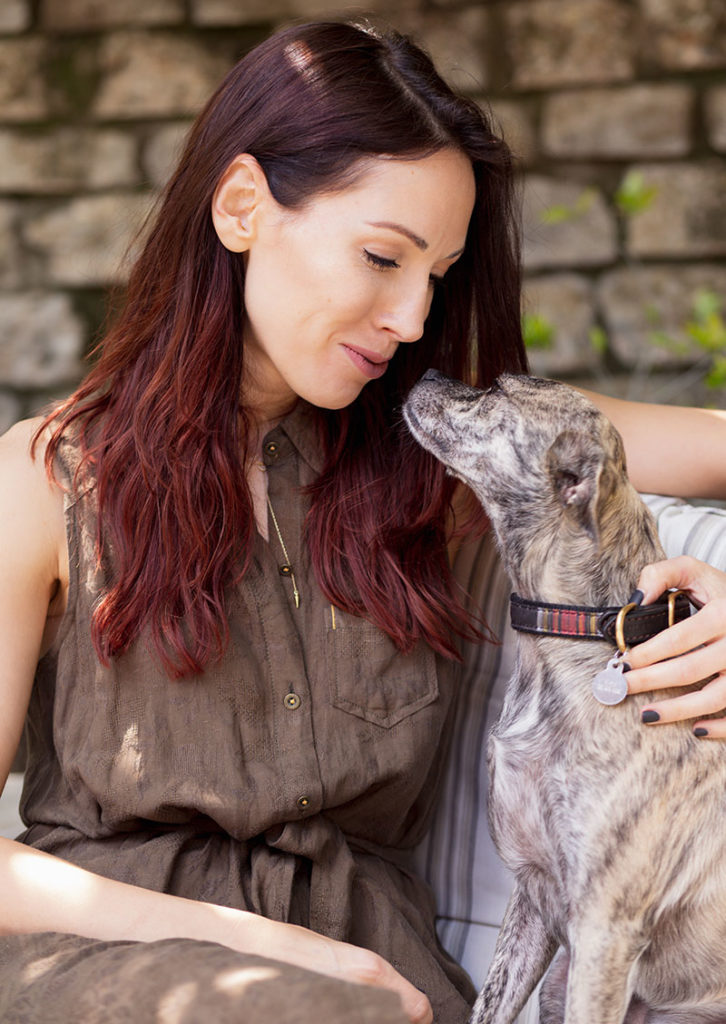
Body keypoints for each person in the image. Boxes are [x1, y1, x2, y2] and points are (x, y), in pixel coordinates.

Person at [0, 18, 724, 1024]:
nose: (417, 319)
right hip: (110, 974)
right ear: (244, 206)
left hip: (384, 984)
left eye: (437, 275)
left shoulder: (428, 472)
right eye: (384, 257)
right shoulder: (45, 483)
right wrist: (262, 948)